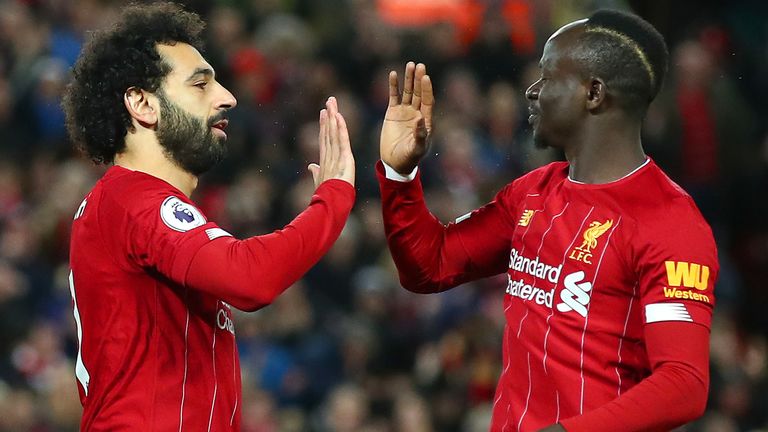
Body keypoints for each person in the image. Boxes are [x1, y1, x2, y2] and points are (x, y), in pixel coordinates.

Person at [377, 9, 717, 432]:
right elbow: (430, 265)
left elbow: (683, 384)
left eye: (548, 76)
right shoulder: (532, 193)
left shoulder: (671, 224)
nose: (532, 91)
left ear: (593, 94)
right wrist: (400, 175)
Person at [62, 2, 355, 430]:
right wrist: (334, 198)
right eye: (201, 85)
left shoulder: (126, 204)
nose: (227, 97)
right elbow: (250, 279)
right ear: (142, 103)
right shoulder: (134, 200)